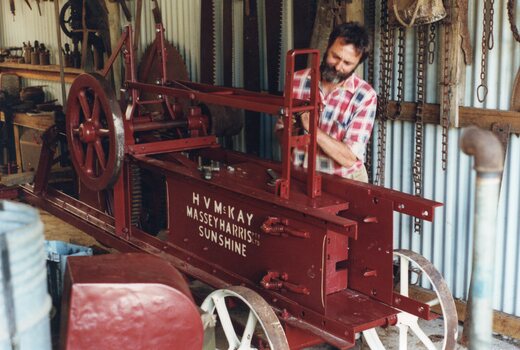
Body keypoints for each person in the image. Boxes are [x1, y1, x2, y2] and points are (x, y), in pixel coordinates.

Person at [276, 22, 377, 182]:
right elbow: (281, 134)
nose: (338, 66)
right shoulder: (296, 80)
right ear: (327, 47)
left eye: (347, 63)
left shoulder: (365, 96)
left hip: (344, 179)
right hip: (301, 175)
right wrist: (293, 130)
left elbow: (349, 158)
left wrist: (311, 128)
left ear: (357, 64)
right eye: (335, 56)